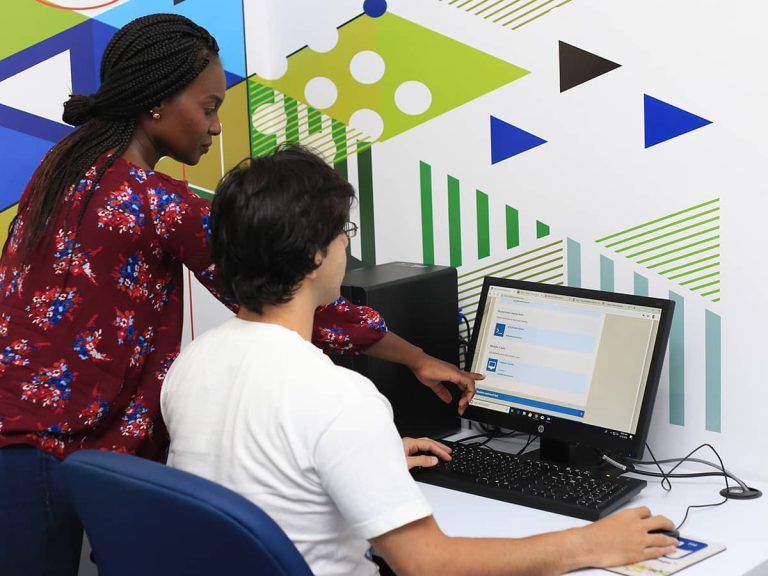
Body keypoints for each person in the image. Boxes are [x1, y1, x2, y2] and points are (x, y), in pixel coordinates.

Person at [0, 14, 479, 576]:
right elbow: (284, 288)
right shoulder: (155, 201)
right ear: (156, 103)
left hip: (20, 431)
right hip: (53, 447)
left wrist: (356, 462)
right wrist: (417, 359)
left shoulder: (64, 167)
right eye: (208, 108)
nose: (216, 127)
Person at [161, 144, 679, 576]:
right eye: (343, 233)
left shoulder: (190, 366)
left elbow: (255, 469)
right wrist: (589, 544)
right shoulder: (339, 398)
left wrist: (364, 459)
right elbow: (426, 564)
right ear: (315, 256)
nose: (345, 247)